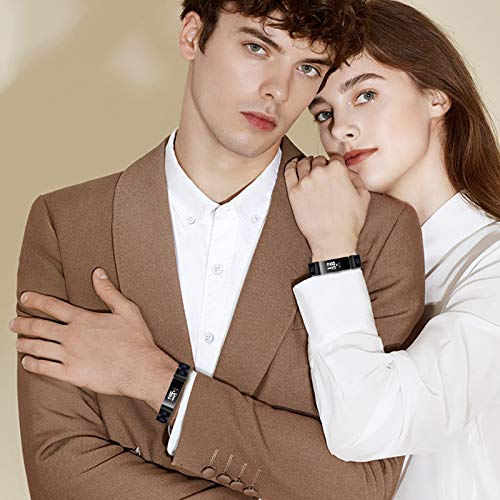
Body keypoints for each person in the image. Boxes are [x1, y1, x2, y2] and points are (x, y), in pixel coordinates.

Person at [10, 1, 425, 499]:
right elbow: (60, 472)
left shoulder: (378, 234)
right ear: (192, 35)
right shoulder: (68, 224)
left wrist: (159, 381)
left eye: (307, 68)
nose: (277, 90)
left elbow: (362, 485)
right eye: (256, 47)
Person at [285, 1, 500, 498]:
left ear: (436, 96)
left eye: (365, 94)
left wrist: (333, 252)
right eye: (323, 113)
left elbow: (366, 427)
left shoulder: (491, 265)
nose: (339, 130)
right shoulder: (342, 261)